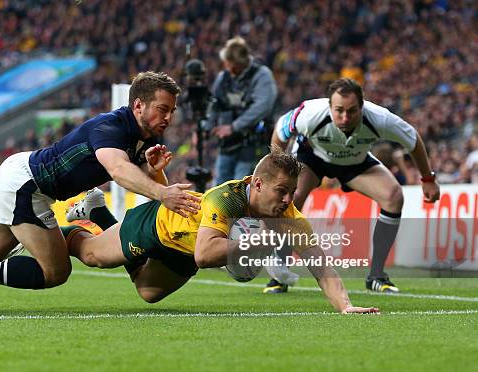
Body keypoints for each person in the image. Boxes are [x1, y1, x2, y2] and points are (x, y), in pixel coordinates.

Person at [0, 71, 201, 310]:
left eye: (172, 110)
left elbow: (132, 177)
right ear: (139, 105)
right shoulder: (111, 127)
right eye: (163, 109)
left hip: (22, 173)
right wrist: (163, 192)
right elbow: (117, 169)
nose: (169, 117)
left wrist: (153, 171)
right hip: (28, 186)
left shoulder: (138, 139)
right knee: (56, 271)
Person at [62, 150, 378, 314]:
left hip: (182, 250)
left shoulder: (290, 216)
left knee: (148, 292)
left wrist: (345, 305)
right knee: (93, 257)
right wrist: (256, 242)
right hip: (159, 225)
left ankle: (97, 212)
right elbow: (204, 255)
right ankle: (59, 234)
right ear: (257, 184)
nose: (288, 200)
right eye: (282, 191)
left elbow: (321, 266)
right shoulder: (224, 198)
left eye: (292, 191)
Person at [266, 78, 440, 294]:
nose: (345, 117)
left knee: (394, 196)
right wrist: (276, 173)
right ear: (329, 107)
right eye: (339, 111)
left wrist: (428, 179)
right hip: (312, 158)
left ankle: (377, 276)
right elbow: (280, 132)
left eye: (352, 111)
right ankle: (279, 272)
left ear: (362, 106)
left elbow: (413, 140)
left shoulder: (380, 118)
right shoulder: (310, 114)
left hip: (354, 162)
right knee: (292, 196)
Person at [206, 36, 278, 185]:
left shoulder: (262, 75)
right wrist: (206, 127)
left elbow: (262, 107)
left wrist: (234, 127)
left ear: (236, 63)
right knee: (218, 187)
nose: (225, 67)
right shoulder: (224, 77)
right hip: (228, 143)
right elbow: (215, 103)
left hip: (253, 144)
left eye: (228, 63)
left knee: (242, 186)